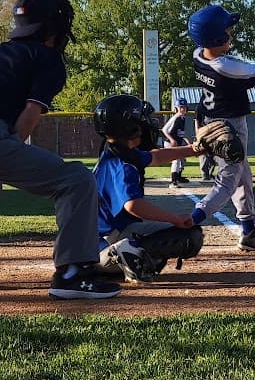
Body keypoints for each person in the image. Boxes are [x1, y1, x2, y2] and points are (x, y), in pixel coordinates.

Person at [0, 0, 121, 299]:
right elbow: (29, 116)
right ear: (53, 28)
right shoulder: (47, 57)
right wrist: (10, 150)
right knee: (76, 181)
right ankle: (72, 273)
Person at [186, 4, 255, 253]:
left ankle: (248, 231)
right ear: (217, 37)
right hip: (229, 127)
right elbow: (251, 72)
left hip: (211, 120)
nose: (231, 33)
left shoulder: (198, 54)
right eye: (227, 30)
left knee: (244, 176)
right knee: (229, 180)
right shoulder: (224, 67)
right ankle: (191, 220)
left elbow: (244, 77)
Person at [92, 94, 204, 282]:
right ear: (128, 127)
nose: (147, 125)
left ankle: (127, 255)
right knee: (188, 236)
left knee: (184, 234)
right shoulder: (123, 163)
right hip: (102, 243)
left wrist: (196, 149)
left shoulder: (118, 153)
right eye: (142, 121)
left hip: (101, 237)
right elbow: (133, 205)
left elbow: (158, 156)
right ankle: (122, 255)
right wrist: (174, 219)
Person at [162, 97, 192, 188]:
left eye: (184, 107)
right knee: (176, 160)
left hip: (177, 143)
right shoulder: (176, 118)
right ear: (176, 108)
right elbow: (164, 130)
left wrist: (187, 142)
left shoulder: (182, 118)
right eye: (180, 107)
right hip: (170, 143)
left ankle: (178, 177)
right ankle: (173, 181)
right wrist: (171, 140)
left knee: (182, 159)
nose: (182, 109)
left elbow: (181, 134)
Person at [195, 102, 217, 182]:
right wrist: (198, 134)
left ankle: (210, 174)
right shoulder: (200, 106)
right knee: (203, 154)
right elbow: (197, 121)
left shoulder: (215, 105)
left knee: (213, 155)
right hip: (203, 131)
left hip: (213, 130)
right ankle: (205, 175)